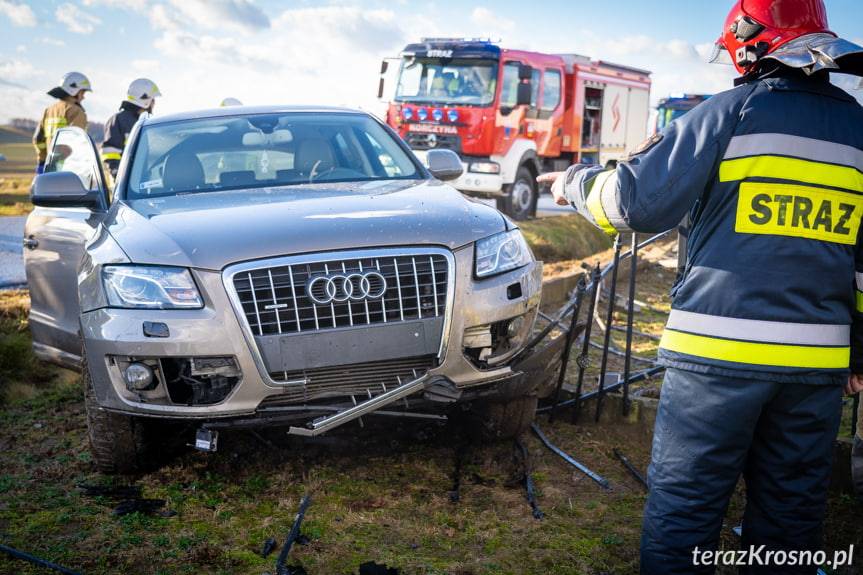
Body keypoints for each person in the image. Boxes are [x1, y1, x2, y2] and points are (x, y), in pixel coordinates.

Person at [541, 1, 863, 573]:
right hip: (816, 367)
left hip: (716, 359)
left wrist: (573, 182)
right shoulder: (859, 131)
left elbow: (631, 202)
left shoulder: (728, 113)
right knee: (791, 521)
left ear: (748, 42)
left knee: (686, 513)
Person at [101, 78, 161, 181]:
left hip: (141, 181)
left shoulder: (145, 122)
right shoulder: (118, 120)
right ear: (145, 99)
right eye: (153, 100)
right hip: (124, 183)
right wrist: (119, 177)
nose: (154, 103)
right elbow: (111, 153)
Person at [32, 72, 92, 173]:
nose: (83, 97)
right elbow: (77, 142)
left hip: (48, 165)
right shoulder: (76, 111)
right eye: (82, 93)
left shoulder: (49, 110)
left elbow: (38, 139)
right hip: (69, 168)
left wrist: (42, 160)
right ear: (74, 91)